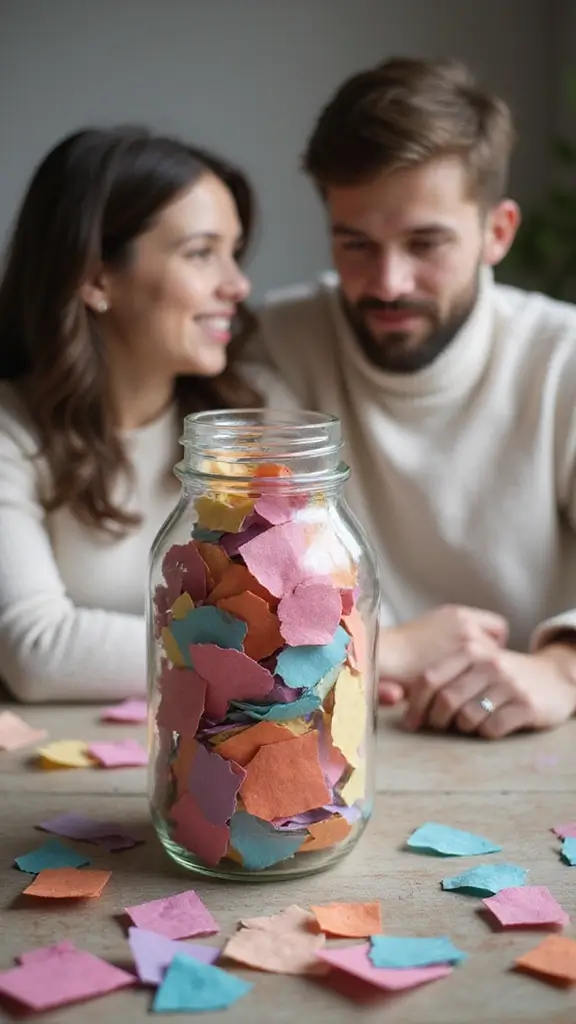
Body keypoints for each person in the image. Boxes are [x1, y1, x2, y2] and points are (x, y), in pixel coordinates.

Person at [251, 57, 576, 739]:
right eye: (356, 244)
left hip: (525, 749)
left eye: (425, 243)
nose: (389, 283)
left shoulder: (563, 357)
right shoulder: (273, 343)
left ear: (499, 231)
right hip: (316, 734)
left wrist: (561, 669)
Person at [0, 127, 295, 702]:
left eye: (233, 252)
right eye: (201, 253)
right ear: (94, 276)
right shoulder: (10, 430)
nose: (238, 284)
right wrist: (286, 649)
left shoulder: (257, 414)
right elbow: (37, 652)